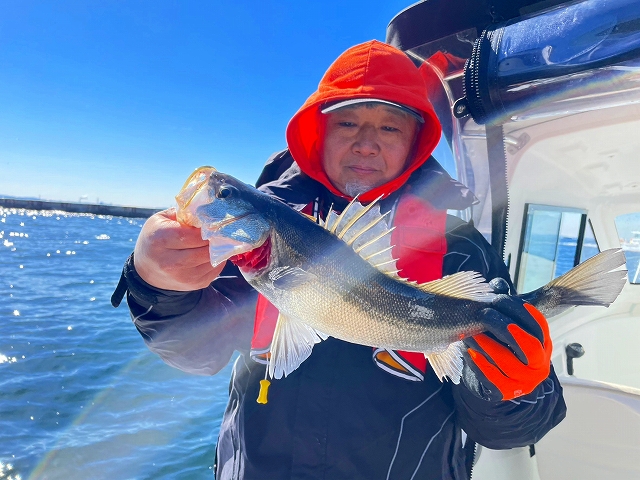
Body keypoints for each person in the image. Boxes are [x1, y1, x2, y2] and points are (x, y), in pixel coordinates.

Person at [112, 40, 566, 479]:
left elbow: (508, 431)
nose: (366, 144)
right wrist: (154, 283)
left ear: (415, 142)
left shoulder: (462, 249)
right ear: (319, 132)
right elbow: (197, 352)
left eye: (390, 127)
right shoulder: (246, 242)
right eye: (347, 123)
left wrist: (518, 390)